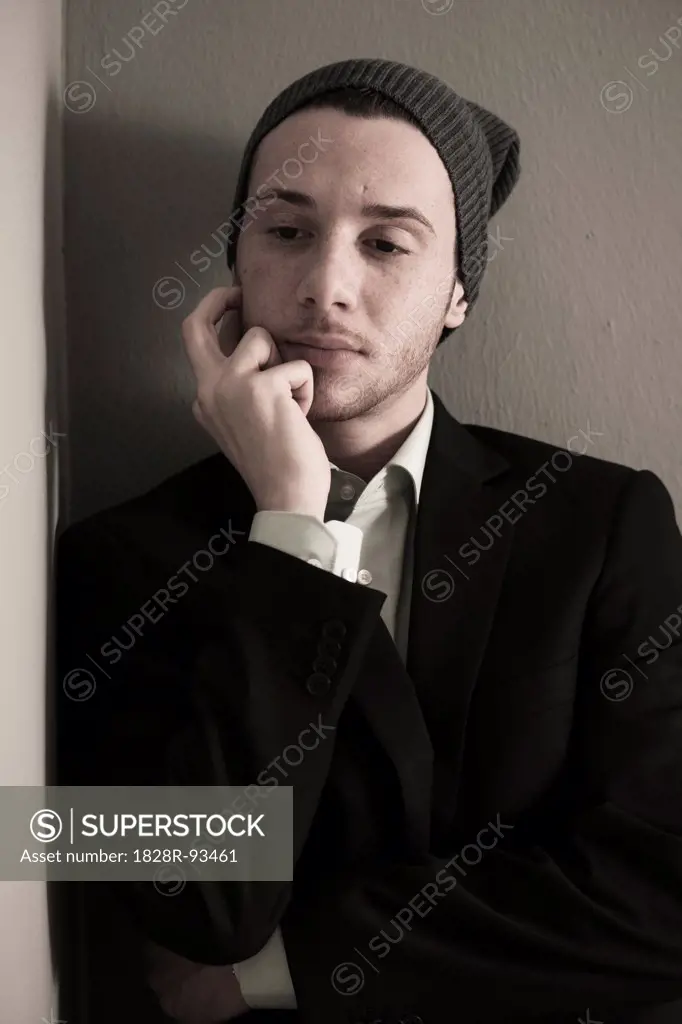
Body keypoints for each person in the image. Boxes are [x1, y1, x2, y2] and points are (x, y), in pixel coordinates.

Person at [56, 58, 682, 1024]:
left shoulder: (602, 522)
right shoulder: (113, 558)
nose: (324, 288)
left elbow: (663, 896)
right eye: (287, 231)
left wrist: (281, 969)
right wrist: (291, 529)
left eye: (387, 243)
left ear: (459, 293)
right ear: (234, 266)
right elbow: (189, 907)